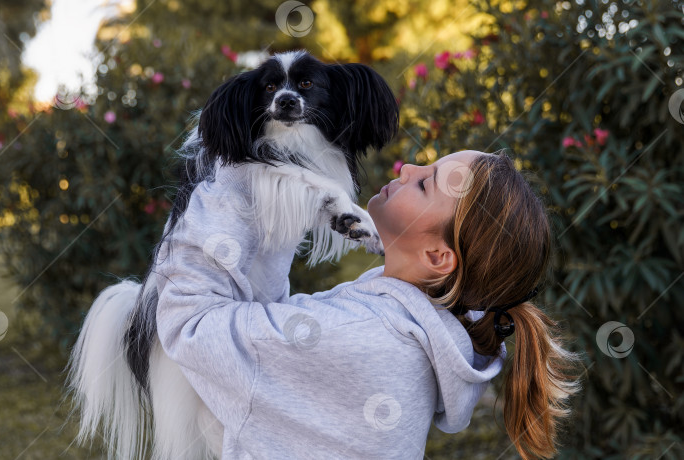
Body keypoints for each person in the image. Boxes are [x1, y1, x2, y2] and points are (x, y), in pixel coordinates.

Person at [154, 149, 582, 460]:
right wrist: (279, 199)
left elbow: (188, 322)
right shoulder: (396, 323)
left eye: (424, 182)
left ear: (438, 257)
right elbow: (266, 322)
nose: (408, 167)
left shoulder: (368, 337)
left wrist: (234, 170)